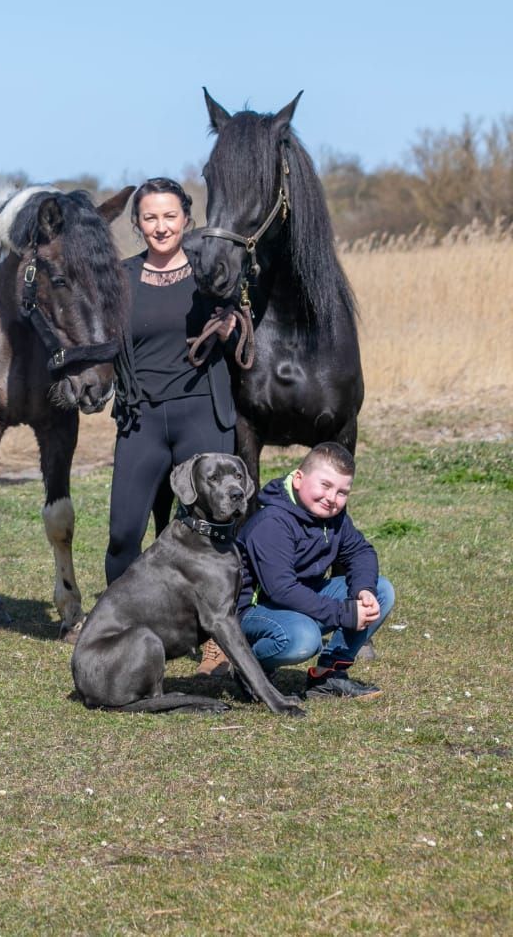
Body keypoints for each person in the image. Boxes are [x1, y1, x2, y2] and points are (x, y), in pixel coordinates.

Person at [106, 178, 238, 587]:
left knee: (213, 527)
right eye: (150, 217)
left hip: (202, 412)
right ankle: (123, 624)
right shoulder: (120, 278)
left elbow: (240, 342)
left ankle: (215, 635)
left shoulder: (210, 273)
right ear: (137, 223)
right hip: (140, 418)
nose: (161, 227)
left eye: (169, 216)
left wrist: (229, 329)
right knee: (123, 533)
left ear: (186, 218)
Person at [234, 442, 394, 699]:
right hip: (257, 610)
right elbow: (281, 589)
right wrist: (344, 613)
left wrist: (364, 590)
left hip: (302, 598)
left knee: (382, 590)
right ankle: (250, 670)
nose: (332, 498)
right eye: (325, 485)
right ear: (298, 479)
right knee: (303, 640)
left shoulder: (333, 517)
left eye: (343, 492)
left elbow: (360, 552)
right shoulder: (272, 522)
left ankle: (329, 675)